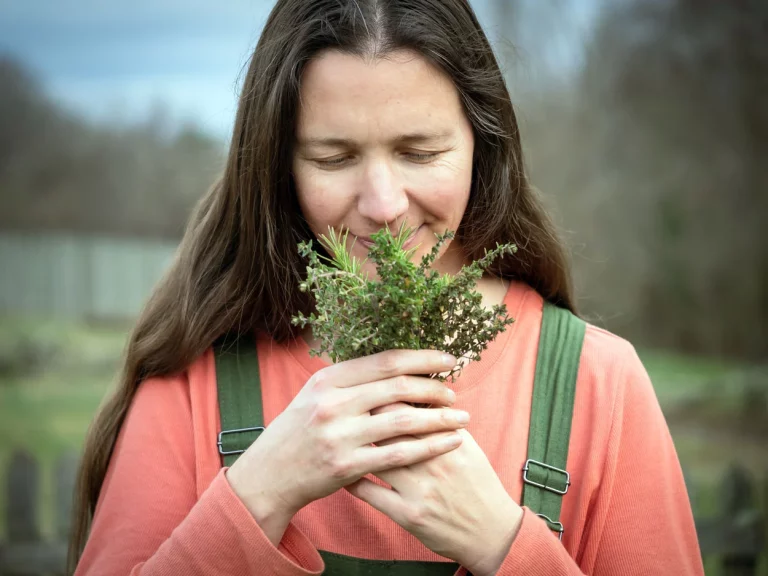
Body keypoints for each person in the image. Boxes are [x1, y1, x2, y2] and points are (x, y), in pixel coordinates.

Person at [69, 1, 705, 574]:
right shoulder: (192, 380)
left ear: (483, 146)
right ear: (277, 165)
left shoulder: (600, 384)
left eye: (420, 152)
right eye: (333, 158)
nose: (383, 204)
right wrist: (258, 495)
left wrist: (505, 548)